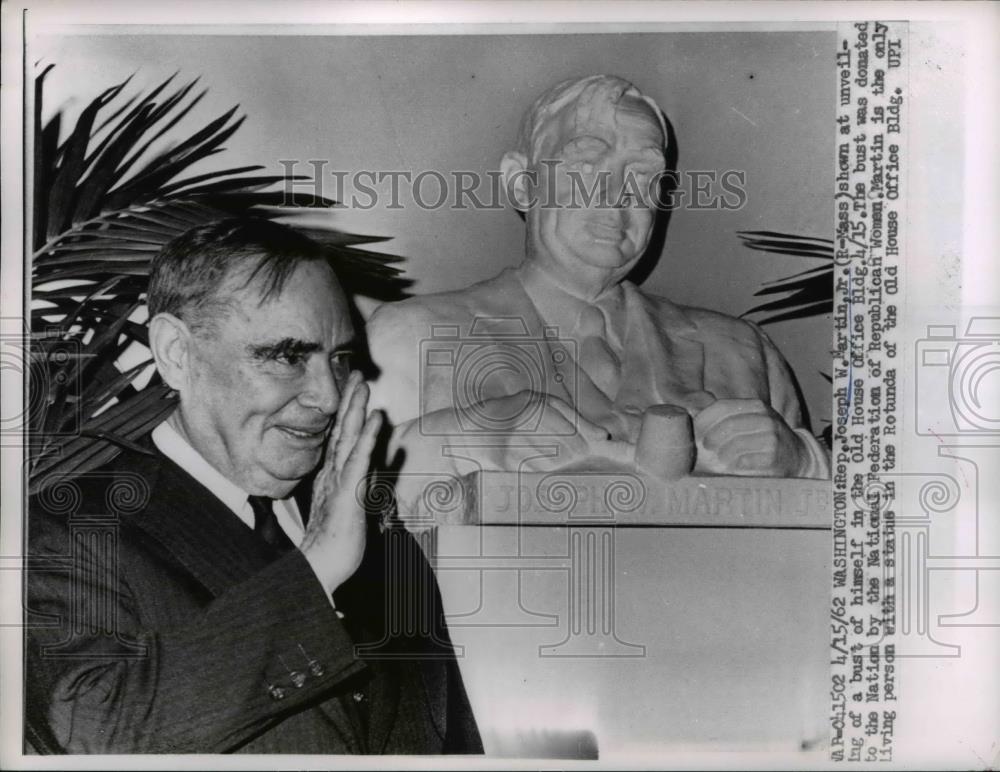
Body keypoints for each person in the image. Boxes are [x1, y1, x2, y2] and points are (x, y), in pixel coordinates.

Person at [25, 219, 482, 754]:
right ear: (176, 353)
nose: (329, 398)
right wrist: (315, 570)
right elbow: (91, 732)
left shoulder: (368, 517)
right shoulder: (67, 530)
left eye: (339, 359)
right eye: (288, 356)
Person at [367, 74, 830, 498]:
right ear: (521, 183)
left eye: (643, 175)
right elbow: (350, 505)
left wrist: (803, 462)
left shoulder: (744, 351)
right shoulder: (410, 336)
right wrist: (465, 441)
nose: (617, 193)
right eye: (588, 163)